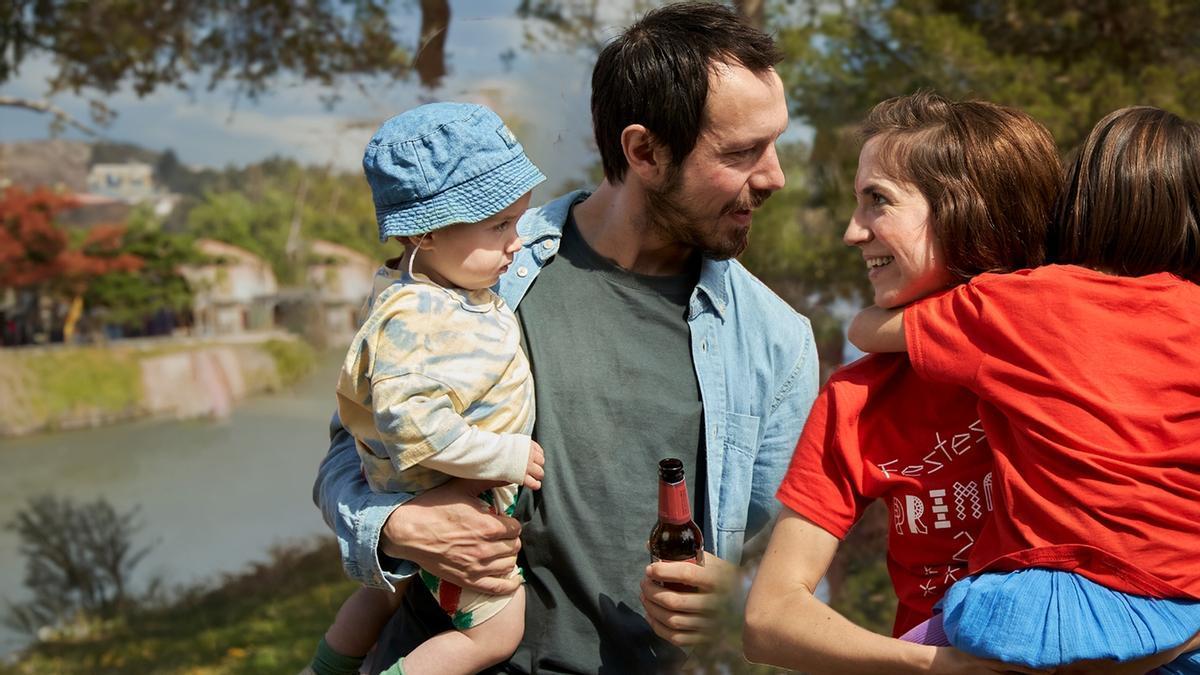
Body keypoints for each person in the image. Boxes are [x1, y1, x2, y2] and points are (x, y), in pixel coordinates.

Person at [313, 3, 820, 673]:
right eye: (742, 152)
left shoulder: (777, 345)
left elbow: (792, 565)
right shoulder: (483, 270)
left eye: (775, 142)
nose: (775, 175)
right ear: (643, 151)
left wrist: (738, 597)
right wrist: (396, 526)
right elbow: (350, 451)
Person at [845, 106, 1200, 673]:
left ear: (1079, 201)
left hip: (1042, 601)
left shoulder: (1021, 300)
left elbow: (866, 331)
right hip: (1178, 602)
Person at [744, 91, 1063, 674]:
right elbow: (769, 619)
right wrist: (940, 666)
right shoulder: (856, 400)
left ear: (967, 212)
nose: (851, 232)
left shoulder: (1079, 351)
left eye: (877, 202)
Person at [307, 102, 548, 675]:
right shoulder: (416, 318)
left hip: (423, 493)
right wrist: (506, 453)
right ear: (425, 232)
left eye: (517, 222)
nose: (516, 244)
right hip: (445, 495)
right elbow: (416, 429)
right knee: (496, 628)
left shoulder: (447, 289)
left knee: (384, 591)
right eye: (497, 227)